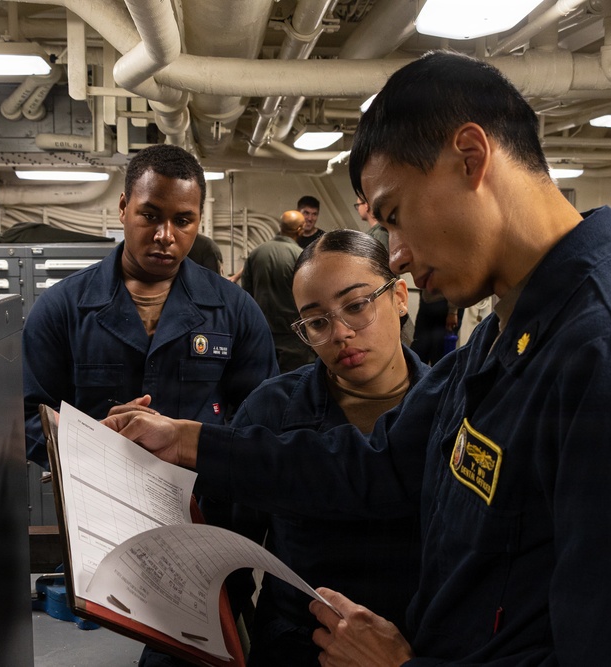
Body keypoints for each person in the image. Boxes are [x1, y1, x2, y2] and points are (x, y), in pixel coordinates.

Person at [103, 51, 611, 666]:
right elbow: (375, 468)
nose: (397, 253)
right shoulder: (503, 338)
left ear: (471, 157)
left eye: (396, 214)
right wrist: (187, 441)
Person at [21, 144, 278, 667]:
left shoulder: (233, 310)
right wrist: (89, 444)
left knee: (205, 645)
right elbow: (28, 416)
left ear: (198, 220)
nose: (166, 236)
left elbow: (263, 422)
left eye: (183, 220)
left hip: (206, 522)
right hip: (107, 517)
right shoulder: (63, 310)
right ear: (122, 208)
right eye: (150, 216)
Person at [238, 229, 426, 666]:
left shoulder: (457, 408)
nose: (340, 333)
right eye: (317, 322)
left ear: (400, 296)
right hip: (297, 651)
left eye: (357, 306)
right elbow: (221, 565)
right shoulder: (271, 412)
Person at [241, 210, 317, 372]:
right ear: (299, 230)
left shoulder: (256, 253)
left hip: (262, 335)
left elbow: (246, 294)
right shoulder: (301, 257)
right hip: (294, 338)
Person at [409, 293, 463, 365]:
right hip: (428, 302)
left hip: (445, 306)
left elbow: (457, 284)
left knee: (439, 355)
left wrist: (452, 311)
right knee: (420, 351)